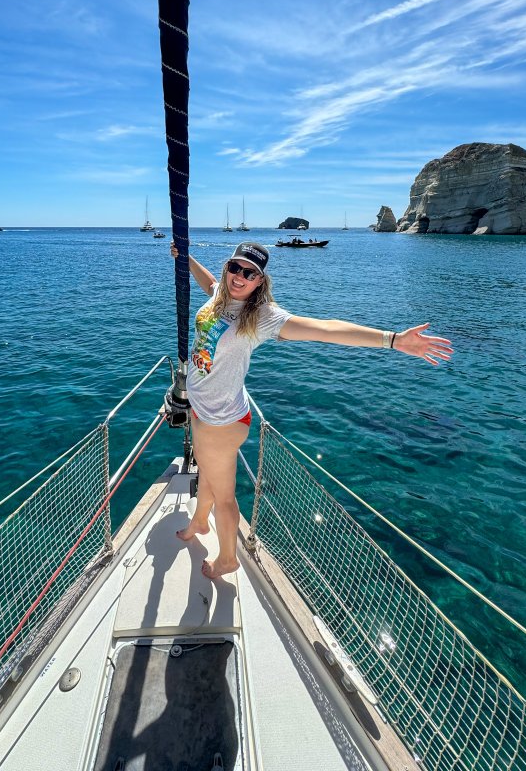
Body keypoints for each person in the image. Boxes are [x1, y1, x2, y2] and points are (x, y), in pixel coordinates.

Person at [170, 240, 453, 579]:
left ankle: (228, 558)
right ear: (227, 267)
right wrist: (185, 258)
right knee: (206, 472)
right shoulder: (220, 296)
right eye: (235, 267)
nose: (239, 277)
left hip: (223, 420)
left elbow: (326, 328)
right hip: (204, 409)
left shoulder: (262, 317)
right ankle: (200, 523)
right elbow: (208, 283)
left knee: (225, 495)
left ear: (260, 280)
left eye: (250, 273)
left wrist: (392, 340)